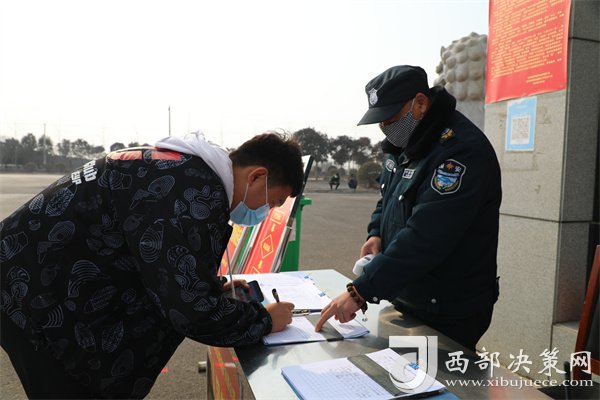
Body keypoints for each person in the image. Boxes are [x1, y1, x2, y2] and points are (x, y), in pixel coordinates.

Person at [0, 132, 303, 398]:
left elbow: (160, 262)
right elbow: (191, 311)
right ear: (256, 176)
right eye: (273, 202)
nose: (266, 211)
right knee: (74, 384)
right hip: (34, 298)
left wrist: (211, 287)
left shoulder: (185, 170)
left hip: (35, 280)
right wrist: (264, 320)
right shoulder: (192, 193)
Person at [315, 65, 502, 351]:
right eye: (380, 122)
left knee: (436, 375)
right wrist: (376, 233)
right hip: (408, 294)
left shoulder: (460, 151)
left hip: (448, 306)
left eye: (390, 119)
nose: (385, 128)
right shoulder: (403, 144)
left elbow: (428, 235)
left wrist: (361, 290)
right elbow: (388, 197)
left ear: (420, 103)